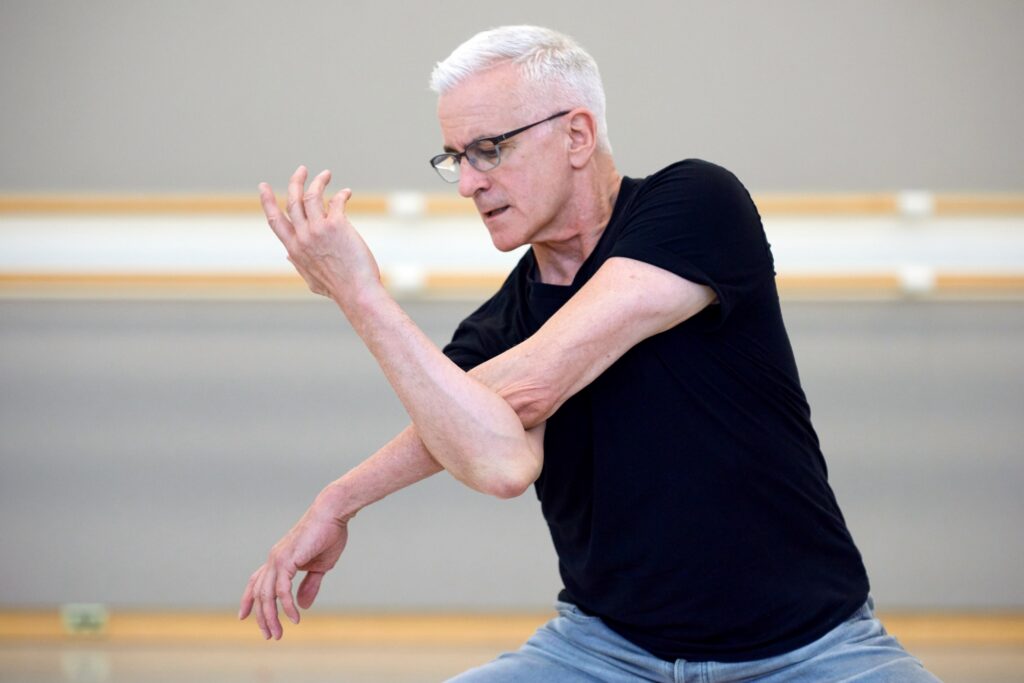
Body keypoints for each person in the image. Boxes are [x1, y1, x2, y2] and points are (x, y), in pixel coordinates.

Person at [239, 25, 940, 682]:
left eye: (490, 149)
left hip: (812, 649)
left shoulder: (697, 205)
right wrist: (341, 498)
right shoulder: (500, 323)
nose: (469, 182)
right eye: (456, 158)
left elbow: (534, 387)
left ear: (577, 134)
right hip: (602, 653)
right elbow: (498, 459)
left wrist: (363, 296)